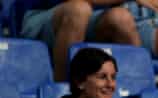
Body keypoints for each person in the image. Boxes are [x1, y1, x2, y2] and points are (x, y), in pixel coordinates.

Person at [13, 0, 145, 81]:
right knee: (78, 10)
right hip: (39, 16)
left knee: (122, 18)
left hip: (92, 16)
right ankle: (62, 96)